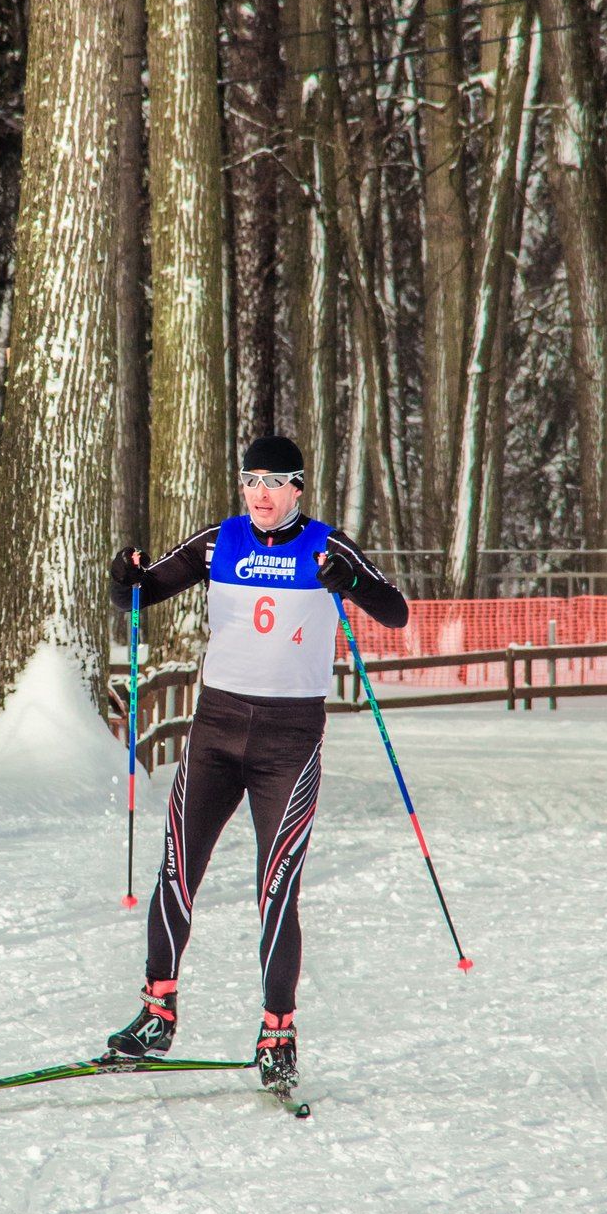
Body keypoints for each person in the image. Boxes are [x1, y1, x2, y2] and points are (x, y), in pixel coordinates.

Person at [107, 435, 409, 1091]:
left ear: (298, 488)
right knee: (177, 868)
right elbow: (142, 591)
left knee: (276, 889)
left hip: (288, 742)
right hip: (214, 732)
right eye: (252, 481)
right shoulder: (219, 541)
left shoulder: (327, 545)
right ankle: (157, 1010)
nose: (261, 494)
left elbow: (396, 610)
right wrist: (124, 577)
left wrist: (349, 582)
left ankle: (278, 1032)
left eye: (275, 483)